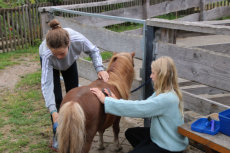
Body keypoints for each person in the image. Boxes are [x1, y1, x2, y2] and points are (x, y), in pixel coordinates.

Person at [90, 56, 188, 153]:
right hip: (161, 135)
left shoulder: (166, 98)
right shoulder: (166, 91)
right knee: (130, 133)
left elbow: (139, 109)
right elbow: (141, 105)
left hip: (169, 145)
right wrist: (114, 99)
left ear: (162, 76)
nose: (150, 76)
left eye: (153, 73)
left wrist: (105, 100)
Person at [39, 19, 109, 149]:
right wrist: (53, 111)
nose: (59, 57)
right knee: (58, 98)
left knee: (74, 95)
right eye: (56, 54)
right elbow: (46, 84)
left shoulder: (78, 39)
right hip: (51, 66)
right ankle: (59, 136)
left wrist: (99, 68)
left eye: (61, 53)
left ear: (69, 44)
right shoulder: (47, 54)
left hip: (70, 62)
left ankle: (76, 131)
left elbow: (93, 50)